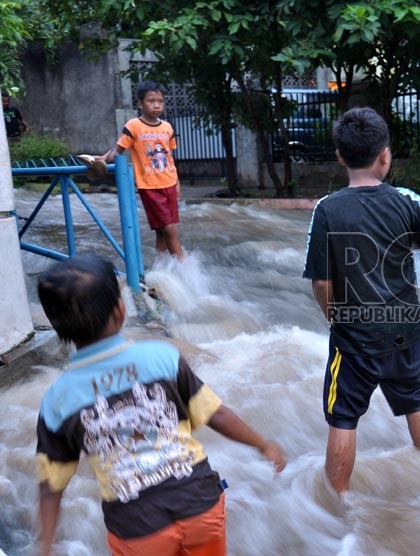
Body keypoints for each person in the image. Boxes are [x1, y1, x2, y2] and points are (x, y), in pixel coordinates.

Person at [36, 254, 286, 555]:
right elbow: (215, 414)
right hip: (201, 506)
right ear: (121, 308)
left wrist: (45, 545)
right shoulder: (162, 358)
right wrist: (262, 444)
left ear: (56, 327)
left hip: (137, 529)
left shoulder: (57, 401)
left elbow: (52, 485)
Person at [303, 107, 420, 493]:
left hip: (355, 336)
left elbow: (321, 282)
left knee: (343, 417)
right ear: (385, 154)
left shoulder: (327, 210)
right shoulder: (406, 200)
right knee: (416, 399)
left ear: (340, 156)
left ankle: (338, 502)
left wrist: (333, 317)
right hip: (406, 329)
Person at [96, 81, 184, 260]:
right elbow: (118, 150)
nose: (157, 105)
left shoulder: (167, 127)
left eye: (160, 101)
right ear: (140, 103)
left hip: (169, 182)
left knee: (162, 230)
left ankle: (162, 268)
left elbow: (170, 158)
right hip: (149, 186)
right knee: (169, 228)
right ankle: (185, 266)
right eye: (151, 101)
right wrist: (102, 159)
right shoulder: (133, 126)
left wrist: (178, 183)